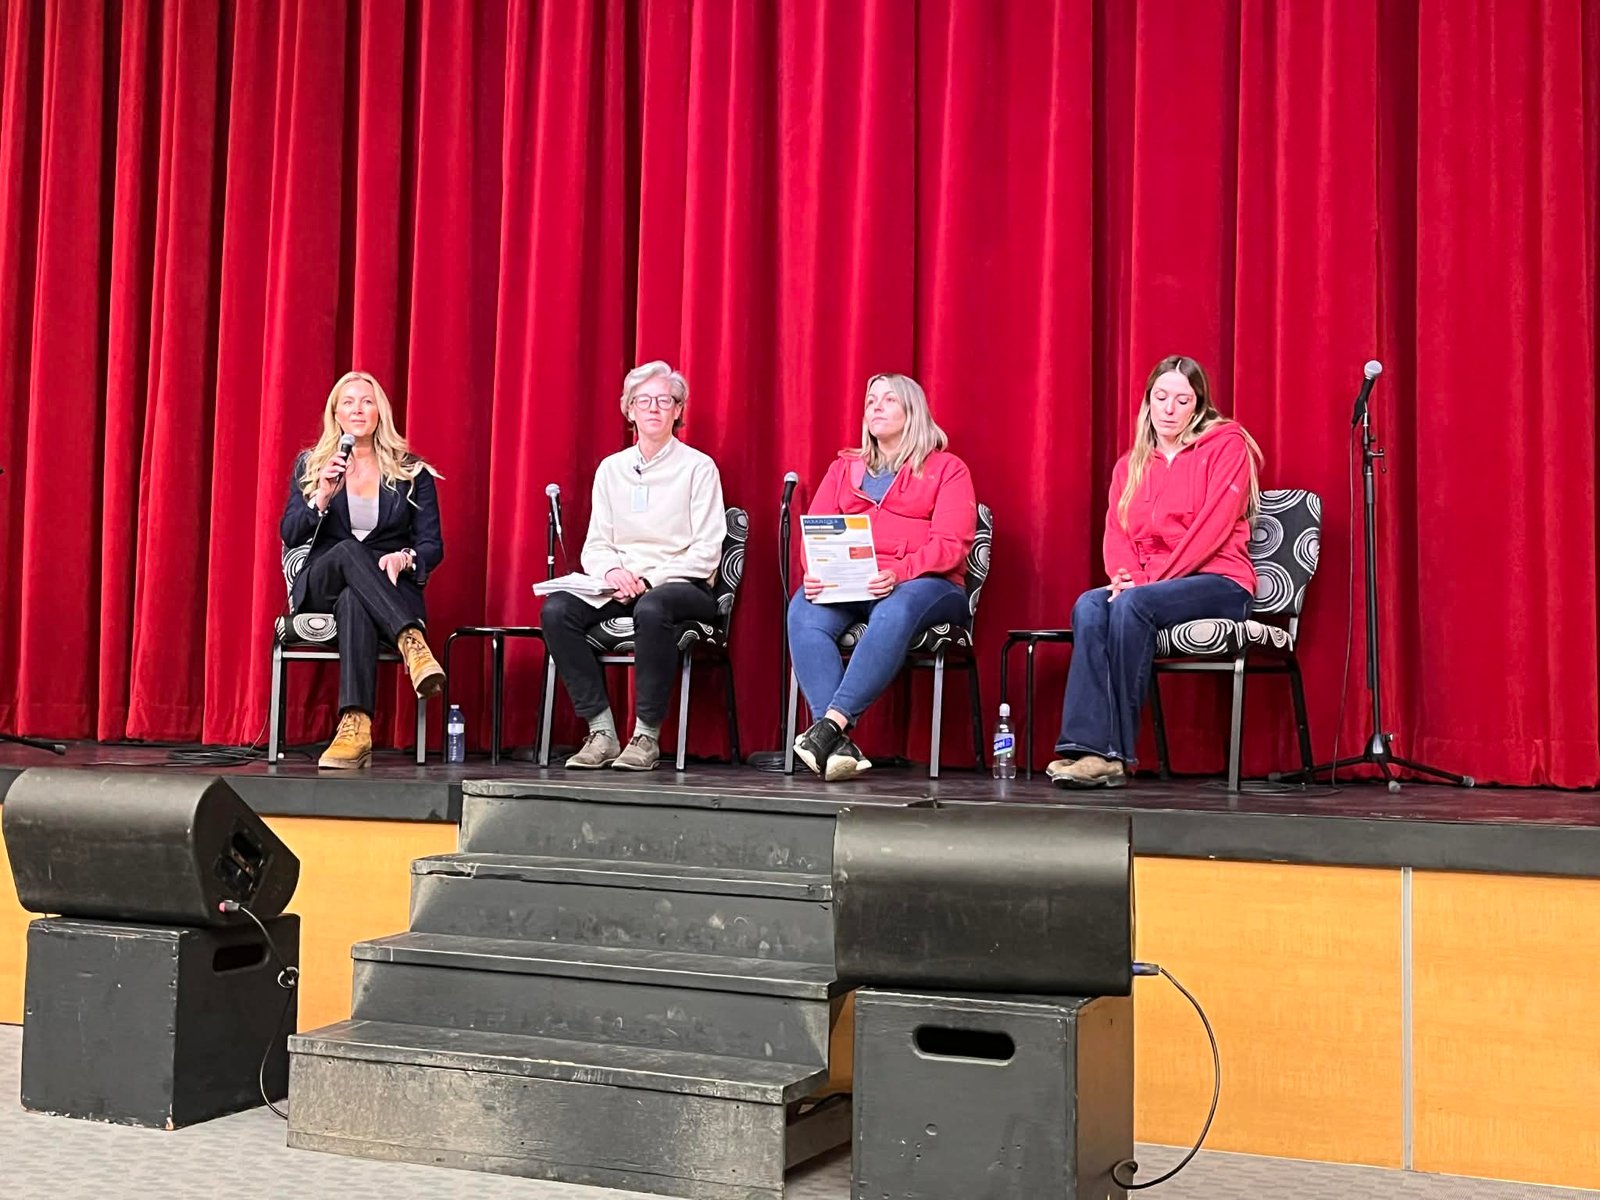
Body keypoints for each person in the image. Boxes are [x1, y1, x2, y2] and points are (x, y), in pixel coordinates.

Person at [1048, 355, 1262, 788]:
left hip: (1220, 580)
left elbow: (1213, 529)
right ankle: (1085, 746)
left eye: (1182, 400)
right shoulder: (1131, 464)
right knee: (1090, 604)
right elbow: (1117, 530)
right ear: (1147, 402)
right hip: (1148, 585)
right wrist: (1123, 575)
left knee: (1134, 606)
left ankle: (1116, 754)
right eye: (1161, 397)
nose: (1169, 409)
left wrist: (1145, 585)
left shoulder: (1228, 446)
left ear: (1198, 406)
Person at [787, 373, 977, 781]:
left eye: (889, 400)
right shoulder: (844, 469)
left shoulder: (947, 469)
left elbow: (952, 543)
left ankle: (832, 723)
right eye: (871, 399)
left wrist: (900, 571)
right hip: (852, 580)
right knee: (802, 607)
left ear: (913, 413)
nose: (875, 406)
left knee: (897, 607)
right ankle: (835, 746)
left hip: (927, 585)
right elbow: (815, 530)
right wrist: (814, 571)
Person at [542, 361, 726, 772]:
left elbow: (706, 550)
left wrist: (648, 580)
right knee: (557, 610)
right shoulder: (612, 469)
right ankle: (602, 731)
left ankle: (646, 735)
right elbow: (596, 544)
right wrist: (611, 574)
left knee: (653, 607)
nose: (654, 409)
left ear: (679, 410)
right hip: (620, 583)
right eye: (644, 401)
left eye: (664, 400)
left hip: (681, 583)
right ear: (629, 410)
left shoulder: (698, 467)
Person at [278, 370, 447, 770]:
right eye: (348, 402)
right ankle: (411, 640)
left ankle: (355, 726)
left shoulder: (411, 471)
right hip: (323, 580)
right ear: (335, 414)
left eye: (367, 401)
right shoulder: (313, 464)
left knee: (356, 600)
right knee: (350, 550)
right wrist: (320, 495)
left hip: (383, 587)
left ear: (379, 413)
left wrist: (405, 558)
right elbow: (290, 532)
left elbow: (432, 545)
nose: (358, 409)